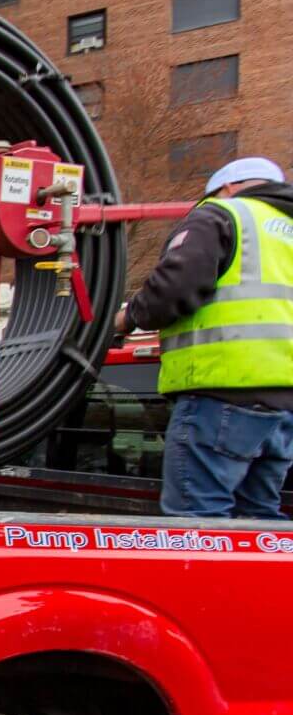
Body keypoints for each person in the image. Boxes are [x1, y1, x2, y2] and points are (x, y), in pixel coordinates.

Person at [115, 156, 293, 519]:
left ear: (225, 188)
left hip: (223, 391)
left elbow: (175, 288)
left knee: (197, 521)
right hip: (284, 406)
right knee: (259, 519)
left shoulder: (221, 214)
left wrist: (128, 316)